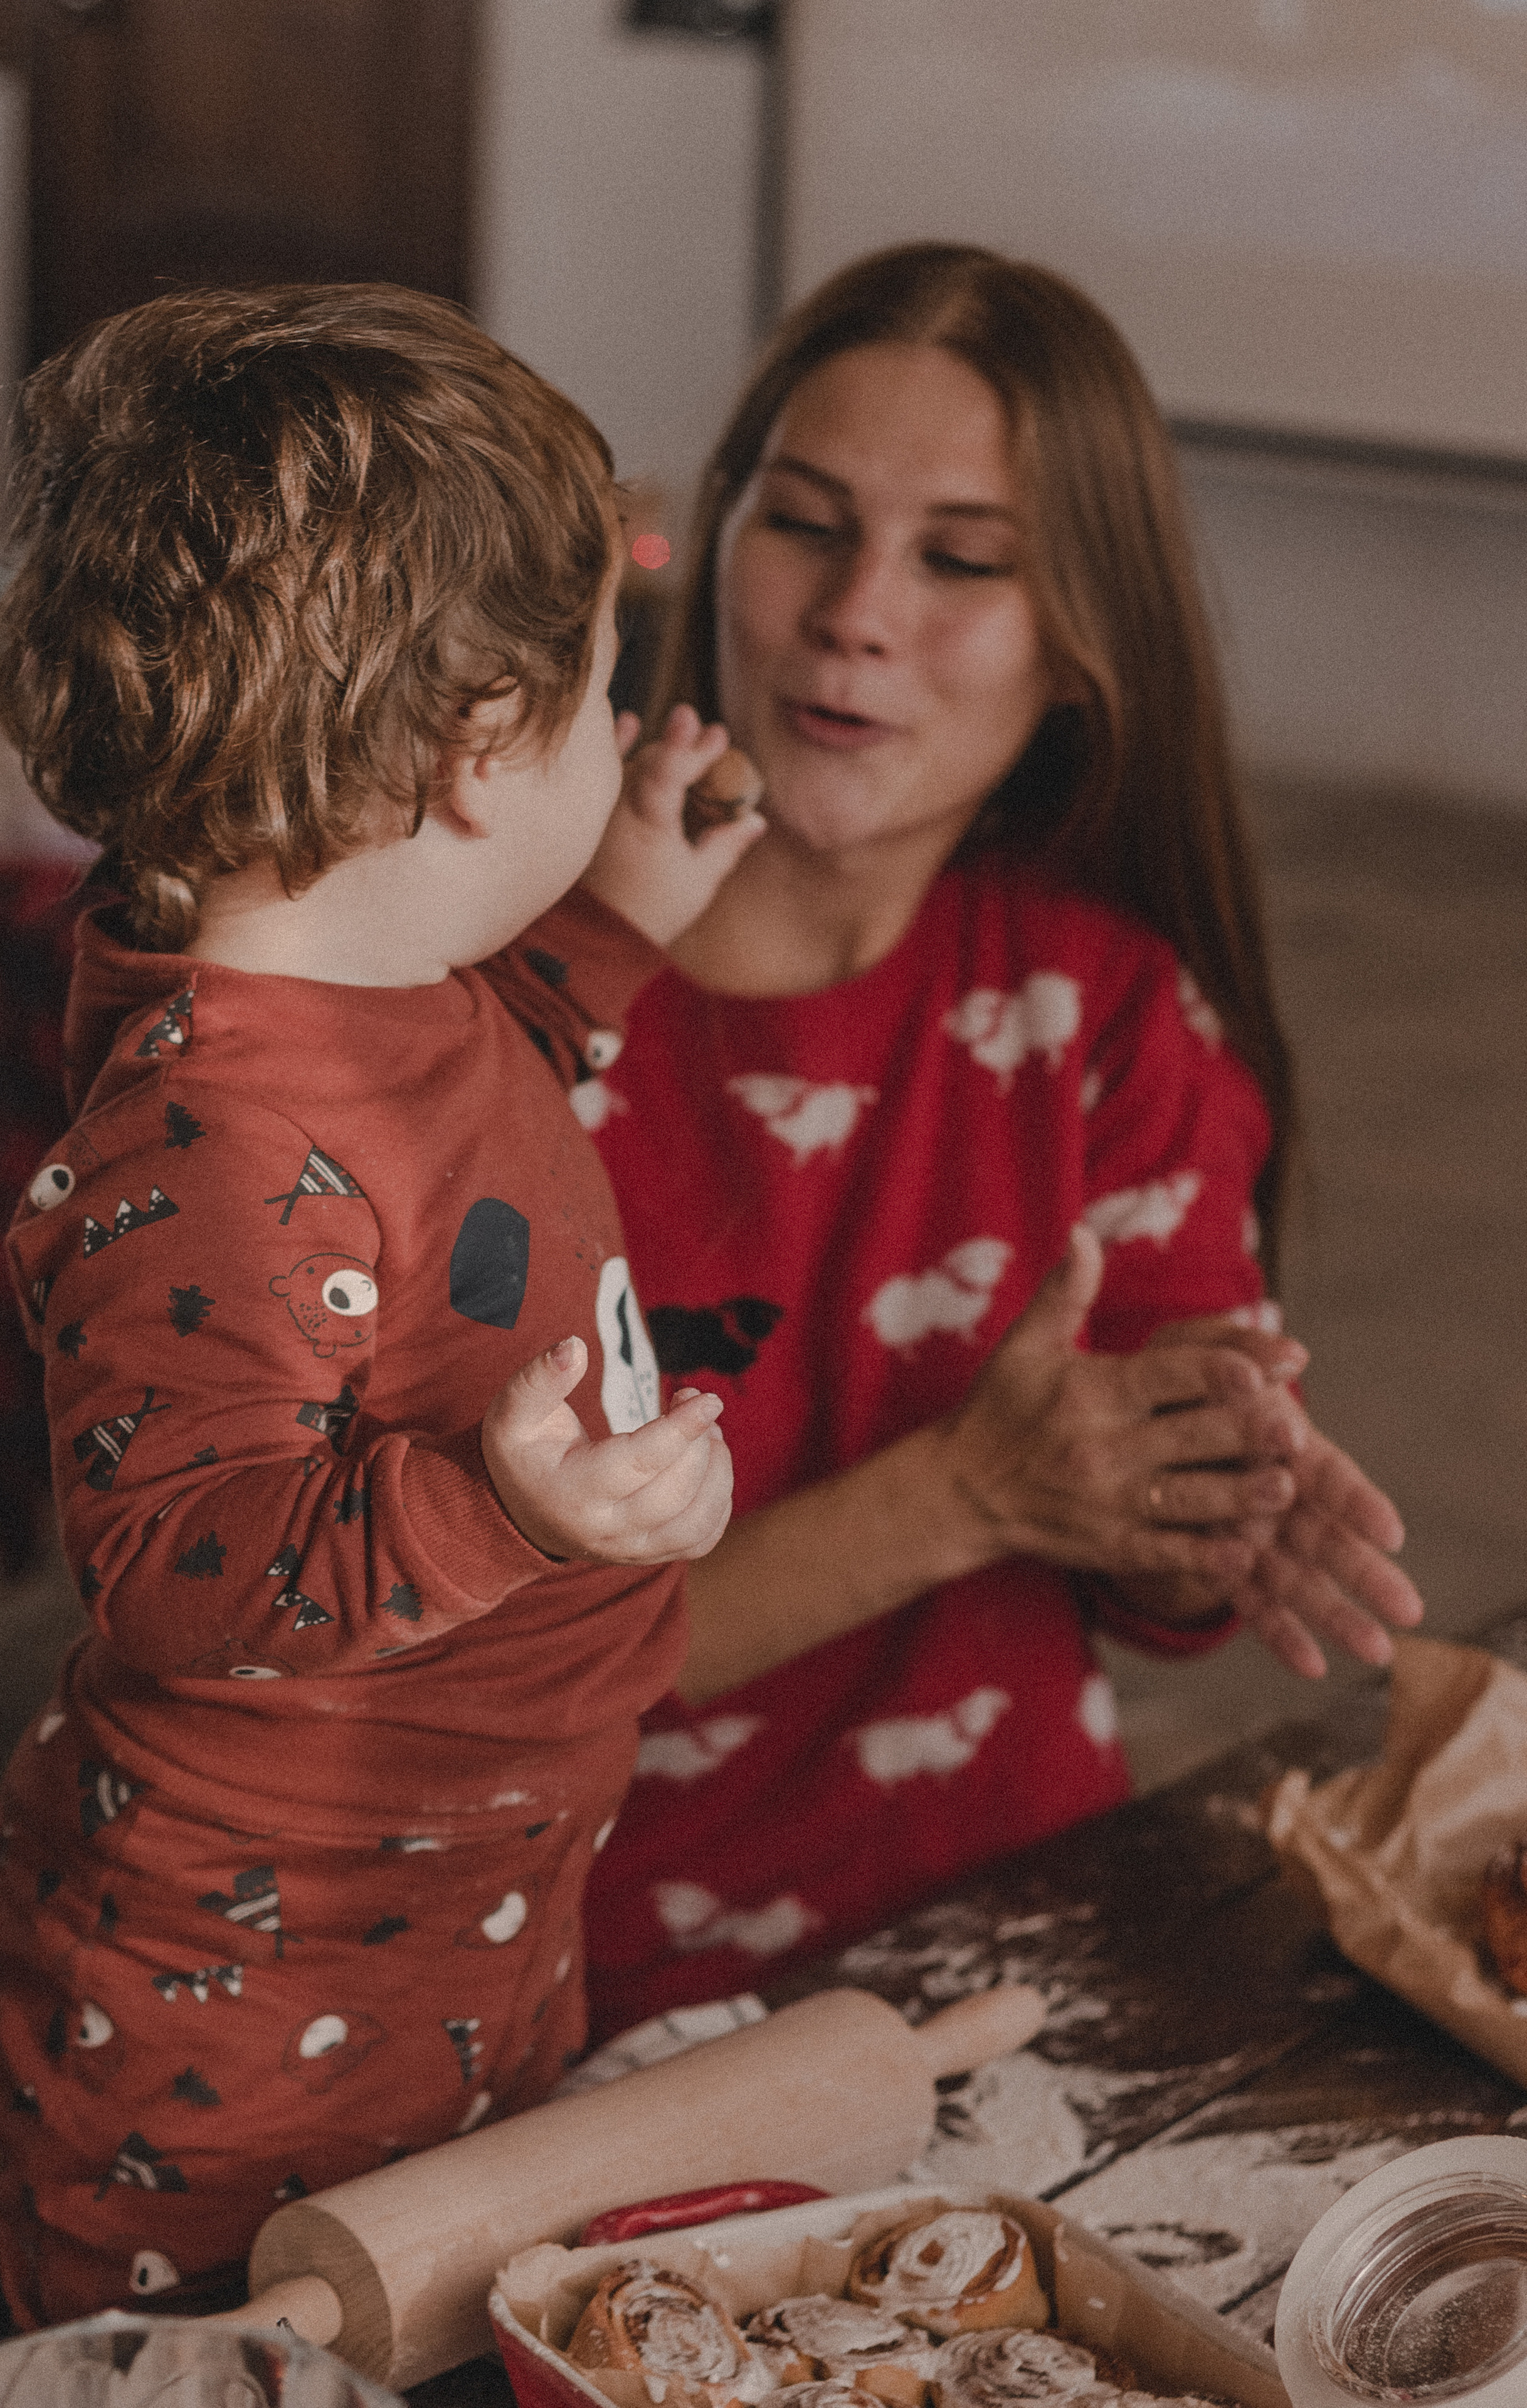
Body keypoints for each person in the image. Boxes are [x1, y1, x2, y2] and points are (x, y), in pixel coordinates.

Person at [0, 283, 764, 2328]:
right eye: (595, 701)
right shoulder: (205, 1147)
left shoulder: (364, 986)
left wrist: (621, 926)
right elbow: (174, 1558)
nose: (611, 735)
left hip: (464, 1899)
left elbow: (452, 1122)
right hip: (240, 2019)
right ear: (480, 752)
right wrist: (514, 1519)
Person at [579, 243, 1424, 2039]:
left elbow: (1149, 1582)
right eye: (806, 523)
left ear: (1081, 653)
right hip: (544, 1985)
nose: (858, 613)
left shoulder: (1113, 1018)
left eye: (962, 561)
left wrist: (1201, 1506)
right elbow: (471, 1678)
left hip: (991, 1953)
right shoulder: (523, 995)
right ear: (719, 541)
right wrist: (967, 1491)